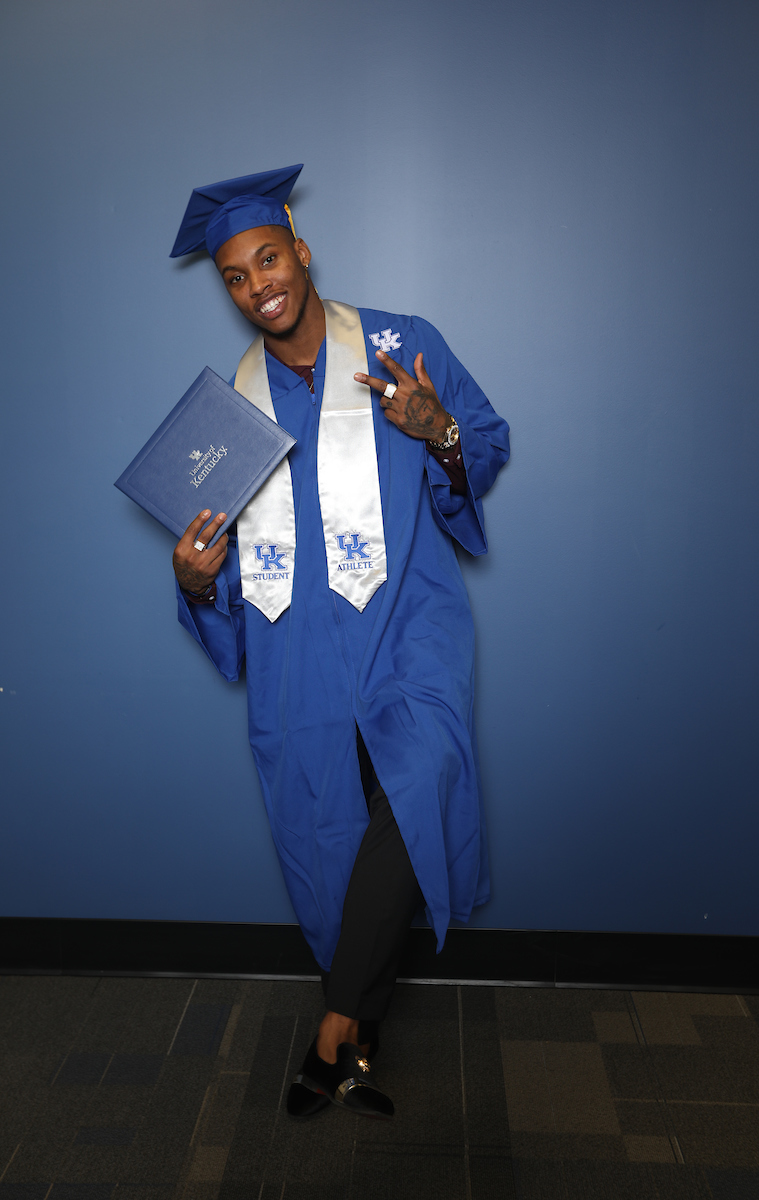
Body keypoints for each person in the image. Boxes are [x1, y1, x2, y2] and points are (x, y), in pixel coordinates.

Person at [169, 165, 509, 1120]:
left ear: (300, 249)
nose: (255, 285)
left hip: (407, 631)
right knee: (338, 847)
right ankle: (360, 1047)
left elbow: (479, 444)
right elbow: (220, 569)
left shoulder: (403, 344)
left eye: (266, 259)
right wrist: (193, 582)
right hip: (298, 659)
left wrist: (433, 426)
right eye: (234, 277)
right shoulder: (225, 418)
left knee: (420, 783)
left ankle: (329, 1030)